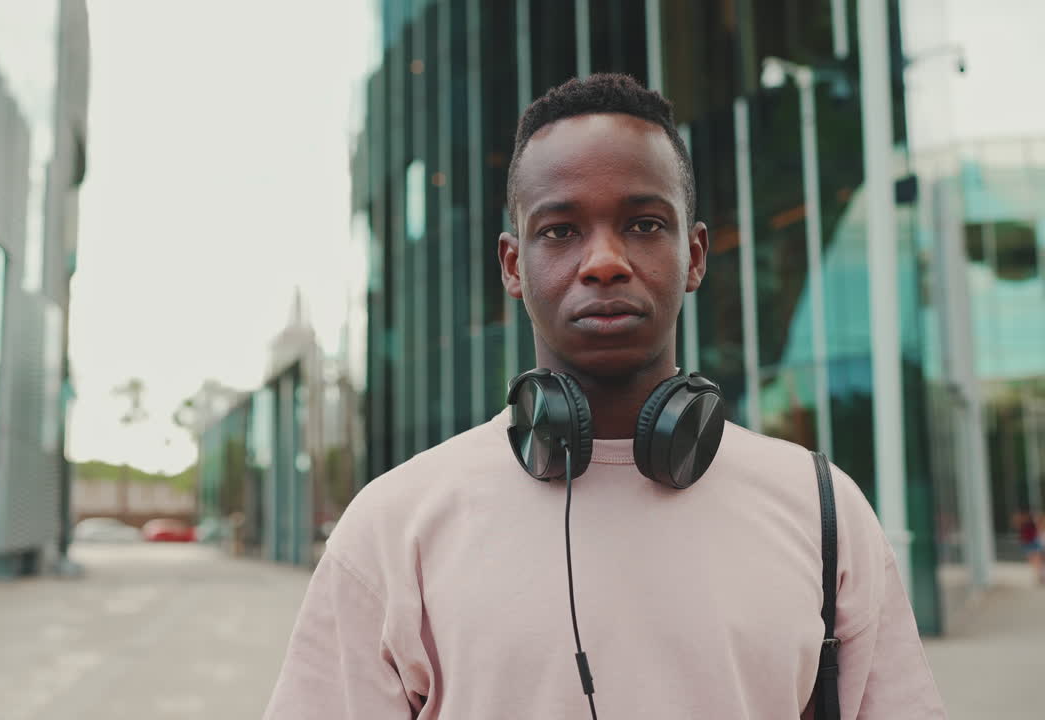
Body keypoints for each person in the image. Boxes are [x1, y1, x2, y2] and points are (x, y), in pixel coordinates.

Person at [263, 73, 945, 718]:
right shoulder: (393, 526)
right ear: (513, 265)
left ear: (695, 255)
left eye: (644, 224)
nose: (605, 262)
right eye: (560, 231)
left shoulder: (822, 510)